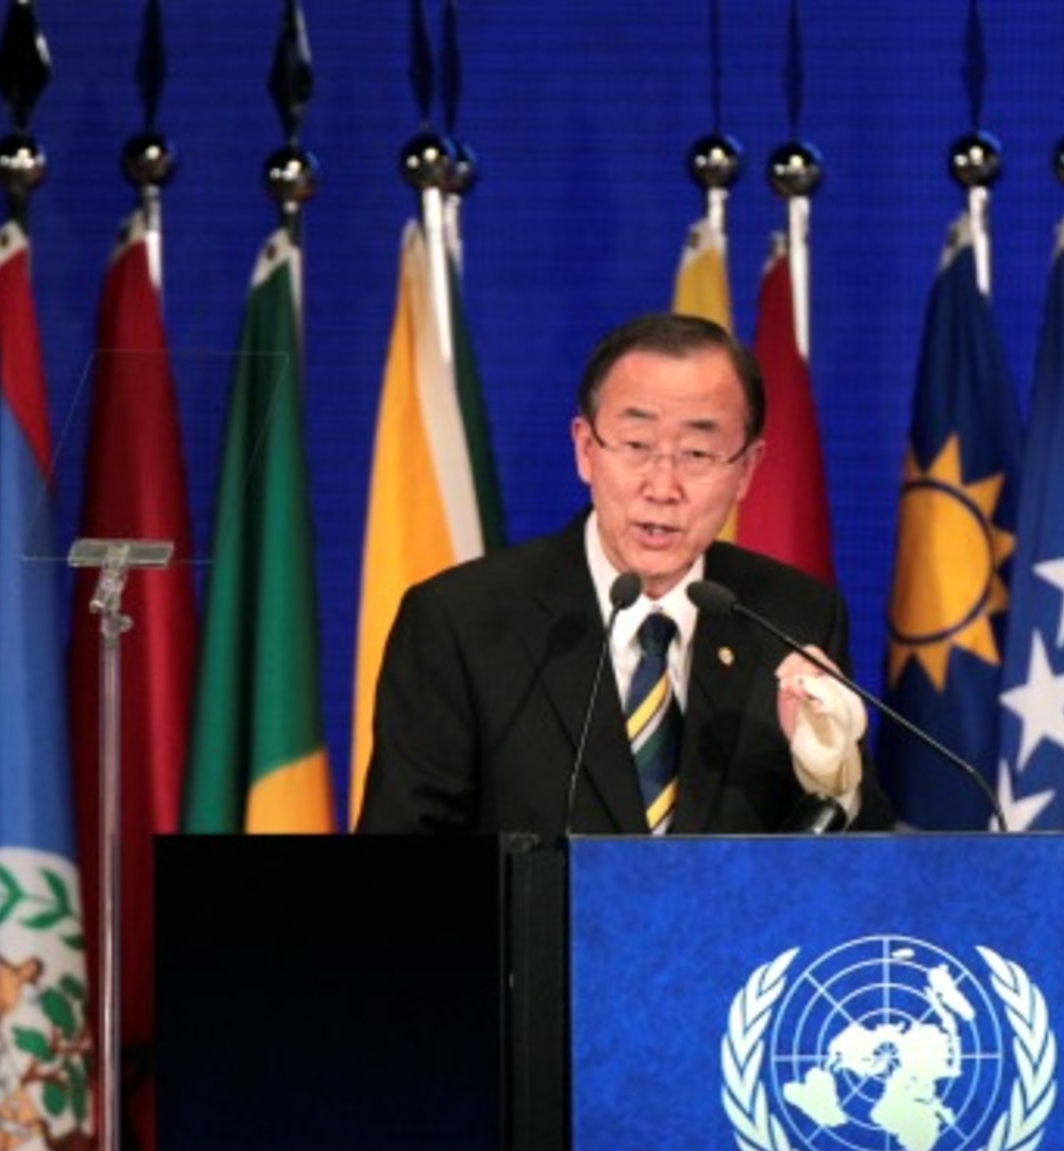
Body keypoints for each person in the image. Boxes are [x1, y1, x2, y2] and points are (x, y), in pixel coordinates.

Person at [356, 311, 893, 837]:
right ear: (586, 450)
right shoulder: (462, 621)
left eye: (698, 453)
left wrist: (829, 775)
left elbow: (861, 879)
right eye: (637, 446)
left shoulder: (791, 616)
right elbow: (402, 872)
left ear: (746, 470)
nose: (662, 486)